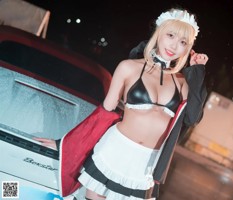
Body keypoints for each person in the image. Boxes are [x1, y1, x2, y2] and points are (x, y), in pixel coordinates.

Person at [35, 7, 208, 200]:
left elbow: (192, 117)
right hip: (113, 152)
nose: (174, 45)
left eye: (183, 42)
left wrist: (197, 72)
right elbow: (103, 113)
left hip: (146, 165)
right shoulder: (128, 68)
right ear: (159, 33)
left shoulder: (183, 82)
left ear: (188, 48)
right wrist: (66, 143)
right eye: (170, 35)